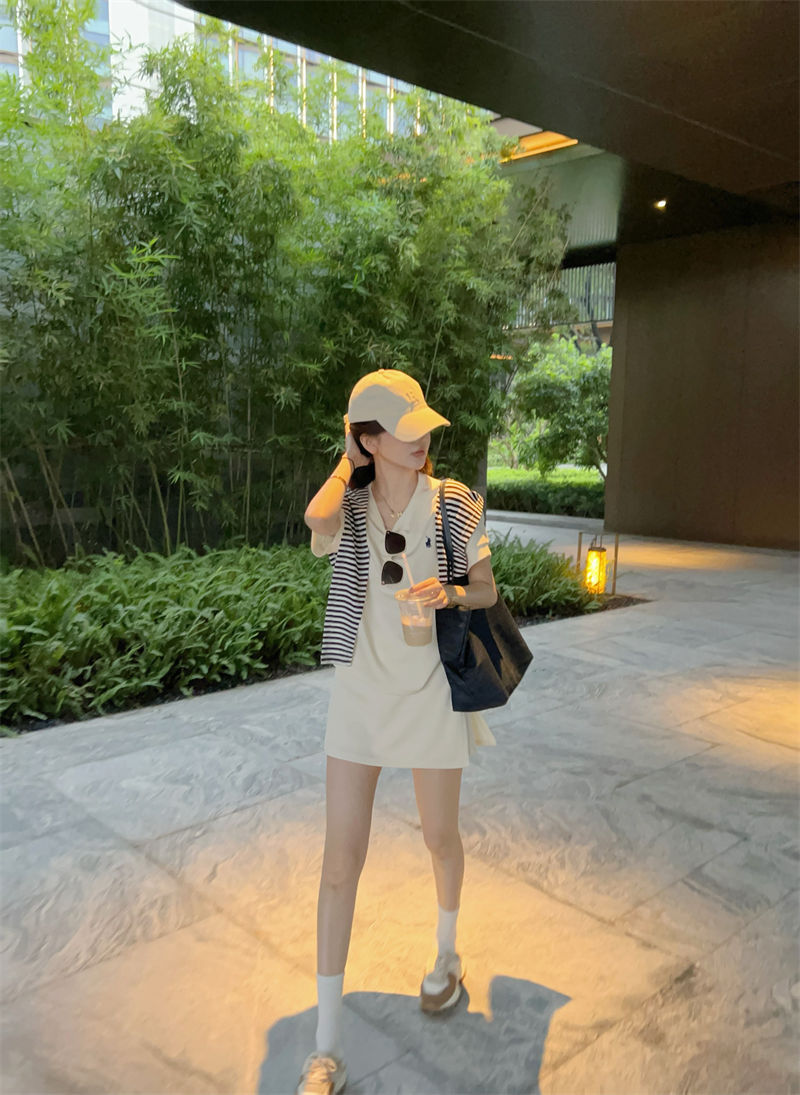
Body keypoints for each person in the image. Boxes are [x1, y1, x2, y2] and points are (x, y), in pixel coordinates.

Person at [297, 368, 498, 1095]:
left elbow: (487, 589)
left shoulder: (453, 501)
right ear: (369, 439)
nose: (422, 440)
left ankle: (446, 956)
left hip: (432, 692)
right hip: (360, 694)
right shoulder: (350, 504)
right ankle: (326, 1048)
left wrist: (449, 590)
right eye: (403, 431)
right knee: (339, 862)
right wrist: (346, 461)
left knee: (440, 837)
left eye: (423, 428)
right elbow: (315, 520)